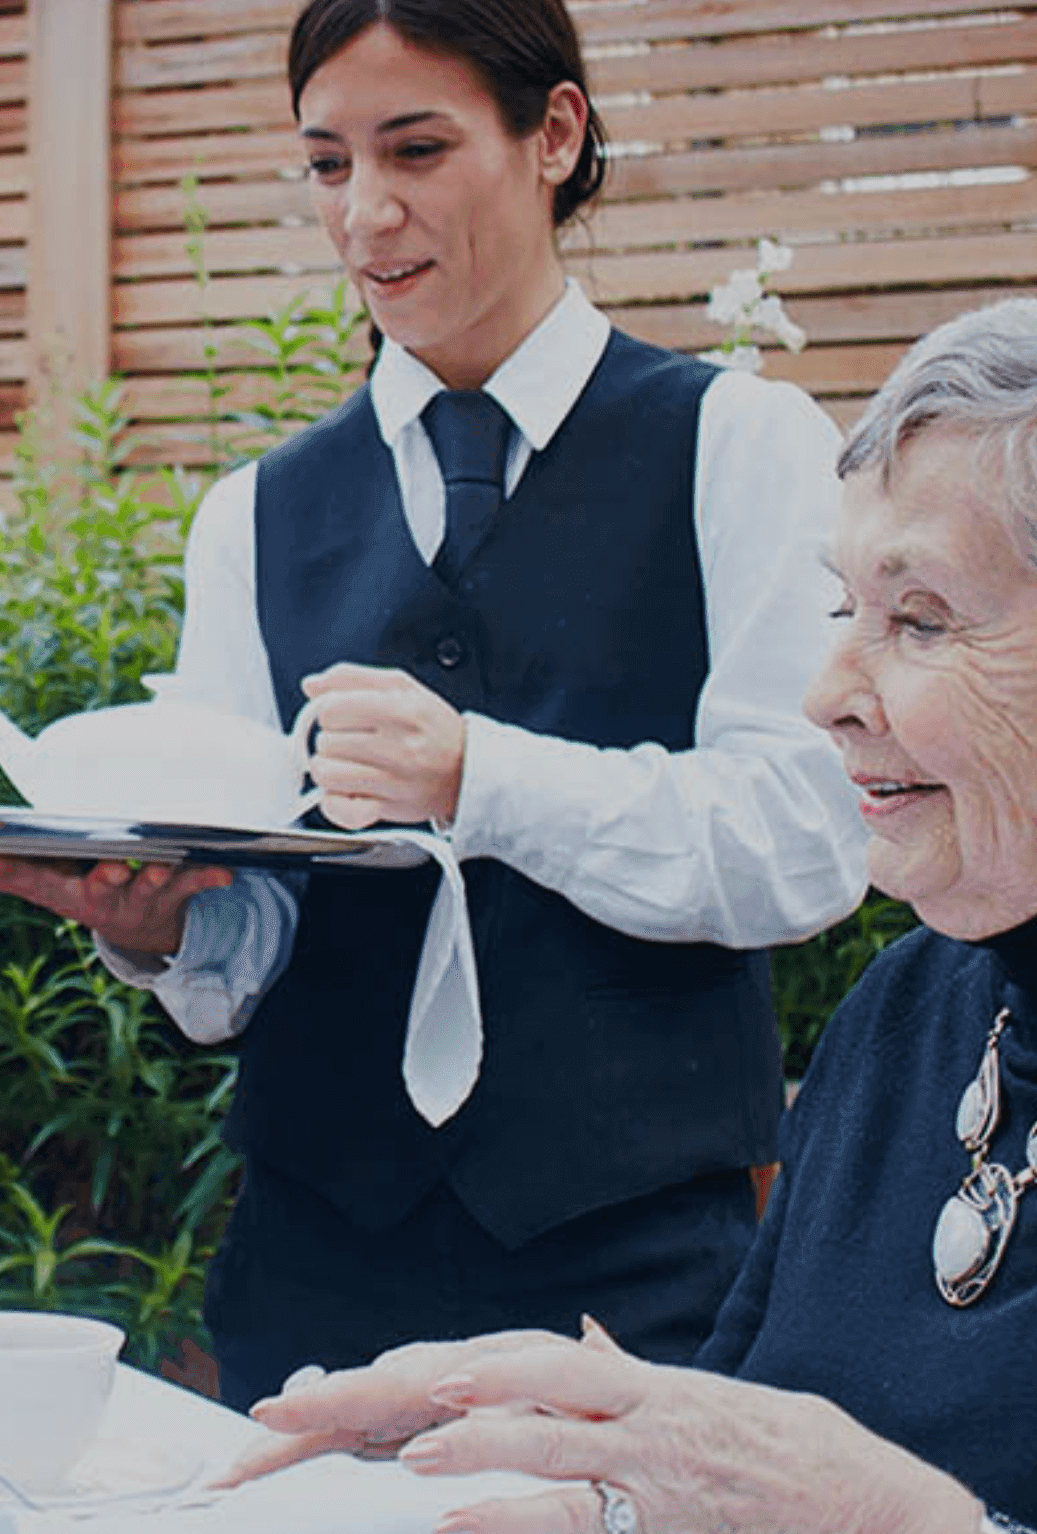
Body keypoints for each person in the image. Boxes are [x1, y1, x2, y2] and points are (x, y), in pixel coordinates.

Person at [0, 0, 866, 1407]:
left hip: (639, 1287)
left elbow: (806, 841)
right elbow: (250, 926)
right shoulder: (250, 518)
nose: (365, 214)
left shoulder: (741, 449)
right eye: (326, 164)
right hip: (310, 1274)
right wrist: (165, 926)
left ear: (552, 132)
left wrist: (480, 776)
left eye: (416, 148)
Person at [225, 295, 1037, 1534]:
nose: (825, 695)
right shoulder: (914, 1011)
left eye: (916, 620)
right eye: (842, 612)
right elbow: (736, 1437)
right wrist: (553, 1460)